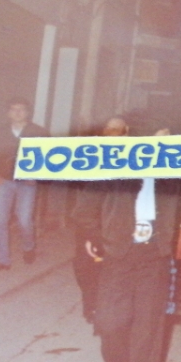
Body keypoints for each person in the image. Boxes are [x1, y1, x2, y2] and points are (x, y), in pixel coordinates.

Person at [71, 119, 181, 362]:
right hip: (118, 253)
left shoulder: (173, 173)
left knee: (149, 328)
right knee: (110, 322)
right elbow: (85, 208)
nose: (163, 141)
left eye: (168, 137)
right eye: (158, 135)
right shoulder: (115, 166)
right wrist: (92, 236)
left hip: (155, 256)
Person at [71, 115, 128, 324]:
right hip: (88, 221)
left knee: (110, 267)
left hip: (116, 224)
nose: (112, 132)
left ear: (125, 131)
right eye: (108, 128)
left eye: (117, 129)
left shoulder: (133, 158)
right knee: (84, 267)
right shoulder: (90, 154)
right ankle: (91, 304)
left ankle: (103, 307)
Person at [0, 98, 48, 271]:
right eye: (13, 109)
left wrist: (37, 177)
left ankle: (28, 247)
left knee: (25, 220)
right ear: (8, 112)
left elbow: (49, 159)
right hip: (4, 181)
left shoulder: (39, 132)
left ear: (28, 112)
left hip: (27, 183)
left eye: (21, 109)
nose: (17, 113)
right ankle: (2, 260)